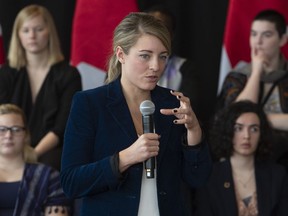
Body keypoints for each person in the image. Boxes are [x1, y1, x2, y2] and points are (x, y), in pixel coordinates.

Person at [60, 12, 212, 216]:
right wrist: (124, 158)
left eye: (163, 56)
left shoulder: (173, 103)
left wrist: (194, 132)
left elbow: (198, 179)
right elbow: (72, 183)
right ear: (121, 54)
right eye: (145, 56)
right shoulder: (89, 104)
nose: (155, 66)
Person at [0, 4, 82, 170]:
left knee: (48, 166)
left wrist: (33, 154)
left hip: (50, 149)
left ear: (49, 32)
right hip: (9, 143)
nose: (32, 36)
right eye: (26, 30)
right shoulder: (6, 73)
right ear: (18, 35)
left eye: (38, 29)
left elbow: (62, 127)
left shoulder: (69, 74)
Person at [217, 9, 288, 168]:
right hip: (243, 163)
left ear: (282, 39)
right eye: (254, 34)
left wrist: (261, 119)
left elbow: (246, 120)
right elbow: (238, 115)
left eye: (266, 35)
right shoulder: (237, 76)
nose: (258, 41)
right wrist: (256, 72)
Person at [194, 100, 288, 216]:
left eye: (254, 129)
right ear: (228, 131)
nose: (246, 136)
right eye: (238, 128)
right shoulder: (210, 175)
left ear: (261, 134)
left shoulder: (277, 175)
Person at [0, 103, 72, 215]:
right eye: (2, 129)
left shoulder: (49, 176)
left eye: (16, 129)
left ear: (26, 135)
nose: (8, 135)